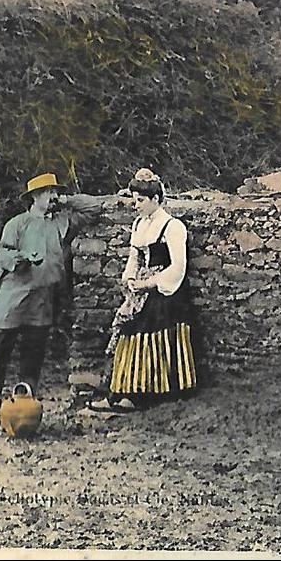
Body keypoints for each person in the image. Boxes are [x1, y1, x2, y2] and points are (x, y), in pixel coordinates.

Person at [0, 172, 103, 420]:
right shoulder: (17, 223)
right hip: (13, 296)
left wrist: (67, 200)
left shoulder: (62, 221)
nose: (53, 197)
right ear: (35, 196)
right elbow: (3, 253)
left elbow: (94, 208)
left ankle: (26, 404)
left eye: (55, 192)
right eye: (49, 192)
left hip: (42, 299)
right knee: (1, 347)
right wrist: (20, 261)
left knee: (34, 351)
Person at [88, 168, 199, 413]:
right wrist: (129, 278)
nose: (135, 205)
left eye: (140, 200)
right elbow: (134, 258)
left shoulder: (172, 226)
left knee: (143, 331)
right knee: (125, 329)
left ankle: (138, 394)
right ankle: (117, 390)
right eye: (134, 200)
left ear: (156, 200)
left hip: (166, 291)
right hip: (141, 286)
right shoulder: (139, 224)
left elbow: (178, 266)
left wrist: (149, 283)